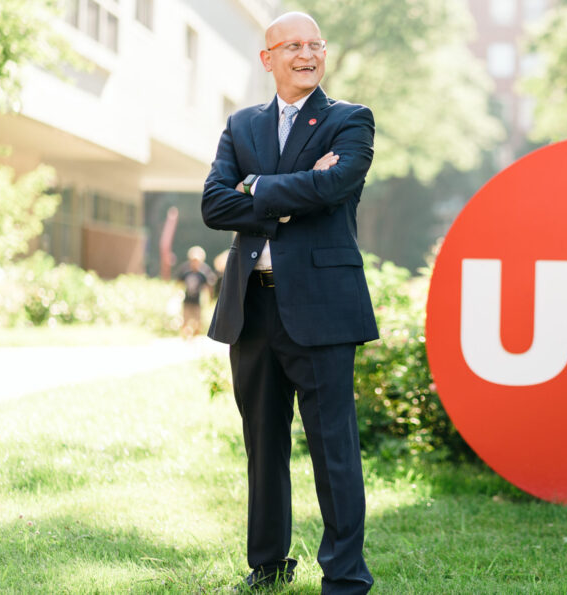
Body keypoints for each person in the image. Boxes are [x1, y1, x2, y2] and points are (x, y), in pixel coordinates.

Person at [200, 11, 377, 593]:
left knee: (334, 450)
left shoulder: (350, 120)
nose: (306, 54)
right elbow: (213, 206)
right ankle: (268, 565)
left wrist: (255, 187)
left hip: (323, 308)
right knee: (263, 445)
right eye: (292, 45)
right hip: (252, 307)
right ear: (267, 58)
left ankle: (346, 576)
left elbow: (335, 185)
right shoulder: (241, 125)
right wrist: (291, 189)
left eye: (315, 45)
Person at [175, 245, 216, 338]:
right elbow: (178, 282)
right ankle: (185, 337)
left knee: (197, 321)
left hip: (197, 301)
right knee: (185, 320)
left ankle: (194, 338)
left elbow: (209, 286)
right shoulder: (185, 270)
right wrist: (177, 295)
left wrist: (209, 298)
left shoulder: (204, 272)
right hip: (187, 300)